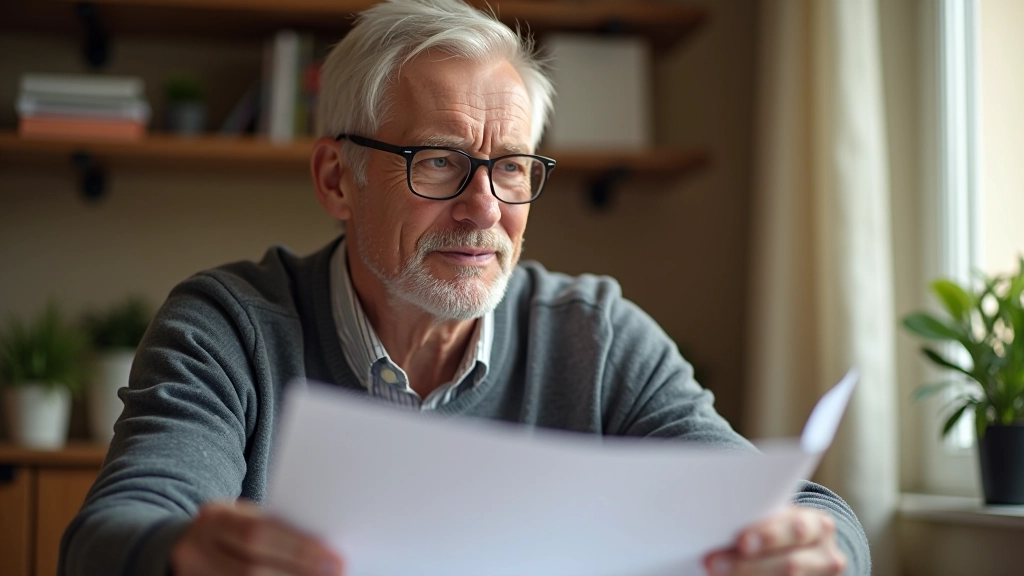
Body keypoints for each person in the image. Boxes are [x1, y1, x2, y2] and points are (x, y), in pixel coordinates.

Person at [59, 0, 870, 574]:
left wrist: (814, 545)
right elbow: (109, 535)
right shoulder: (229, 326)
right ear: (338, 178)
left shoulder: (595, 334)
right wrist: (181, 557)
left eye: (511, 167)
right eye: (440, 160)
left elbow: (772, 500)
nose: (484, 207)